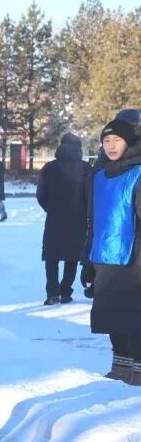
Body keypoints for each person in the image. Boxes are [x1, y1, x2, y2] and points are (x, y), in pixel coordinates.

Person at [82, 118, 141, 385]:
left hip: (135, 257)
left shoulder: (138, 173)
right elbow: (93, 221)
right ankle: (121, 366)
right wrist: (87, 260)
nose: (111, 146)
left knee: (135, 316)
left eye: (117, 140)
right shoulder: (99, 176)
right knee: (112, 314)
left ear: (129, 142)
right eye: (106, 141)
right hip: (105, 256)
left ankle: (138, 369)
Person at [36, 134, 86, 305]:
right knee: (72, 257)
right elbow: (90, 195)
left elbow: (41, 194)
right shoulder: (86, 168)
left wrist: (50, 208)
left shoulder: (49, 168)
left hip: (55, 218)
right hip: (78, 219)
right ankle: (66, 291)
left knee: (52, 257)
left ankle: (52, 293)